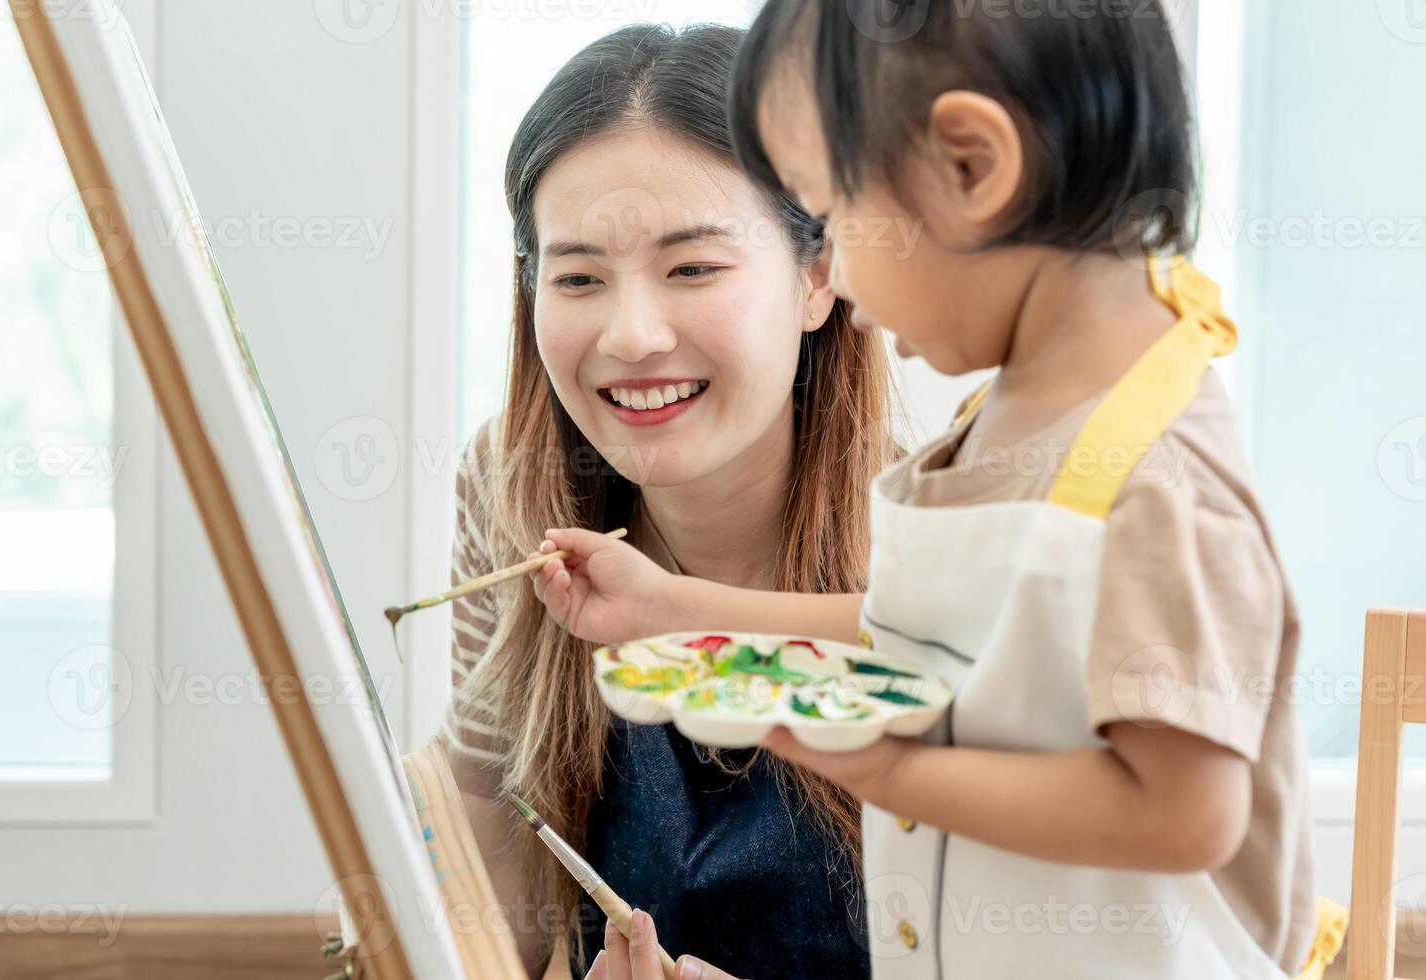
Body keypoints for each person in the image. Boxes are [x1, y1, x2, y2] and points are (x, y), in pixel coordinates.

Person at [536, 2, 1334, 976]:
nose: (836, 280)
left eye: (830, 214)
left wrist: (891, 766)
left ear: (971, 165)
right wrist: (677, 606)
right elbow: (943, 636)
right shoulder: (1018, 416)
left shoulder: (1153, 478)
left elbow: (1187, 809)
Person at [444, 22, 899, 980]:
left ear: (819, 275)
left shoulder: (935, 533)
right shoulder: (508, 493)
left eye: (693, 268)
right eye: (577, 278)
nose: (633, 334)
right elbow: (488, 837)